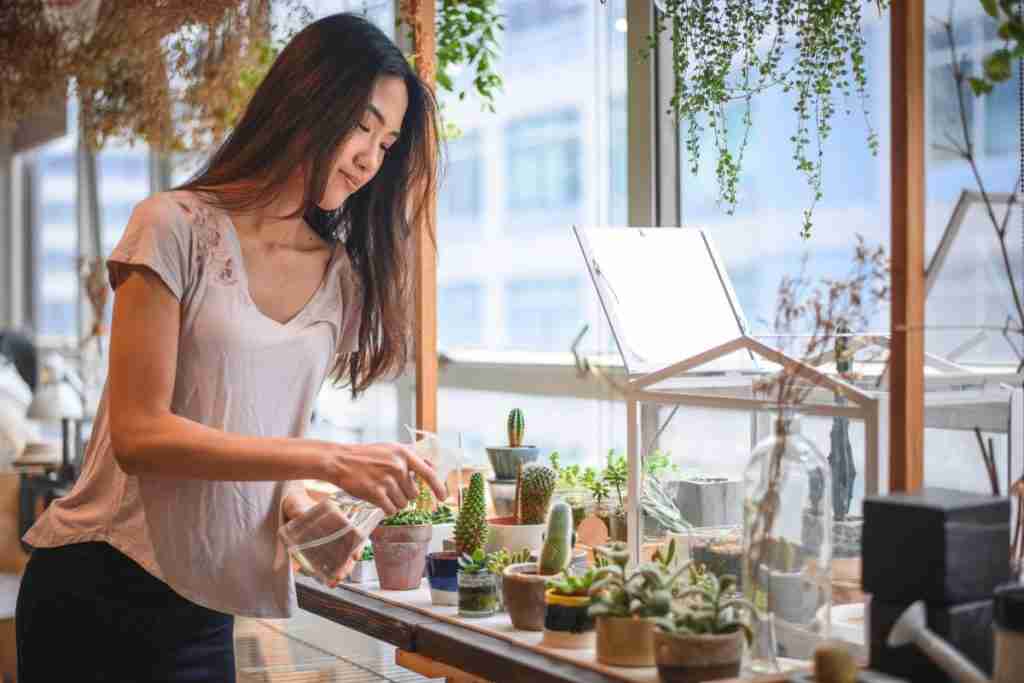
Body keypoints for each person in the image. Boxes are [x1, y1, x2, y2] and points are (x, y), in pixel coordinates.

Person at [15, 13, 445, 682]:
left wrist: (305, 509)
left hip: (206, 611)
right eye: (362, 125)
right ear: (307, 98)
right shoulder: (171, 226)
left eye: (387, 143)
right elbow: (139, 434)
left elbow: (249, 434)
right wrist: (331, 460)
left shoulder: (342, 282)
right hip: (97, 586)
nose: (369, 157)